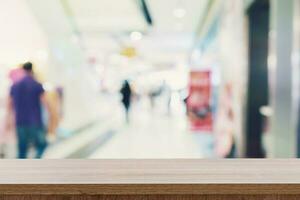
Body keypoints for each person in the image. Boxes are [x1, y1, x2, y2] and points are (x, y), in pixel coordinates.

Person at [5, 62, 50, 159]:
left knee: (22, 149)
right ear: (32, 70)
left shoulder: (15, 86)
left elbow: (9, 105)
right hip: (35, 121)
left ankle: (20, 172)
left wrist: (8, 120)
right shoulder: (37, 85)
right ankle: (36, 160)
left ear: (23, 70)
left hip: (20, 121)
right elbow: (45, 102)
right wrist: (50, 117)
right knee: (42, 144)